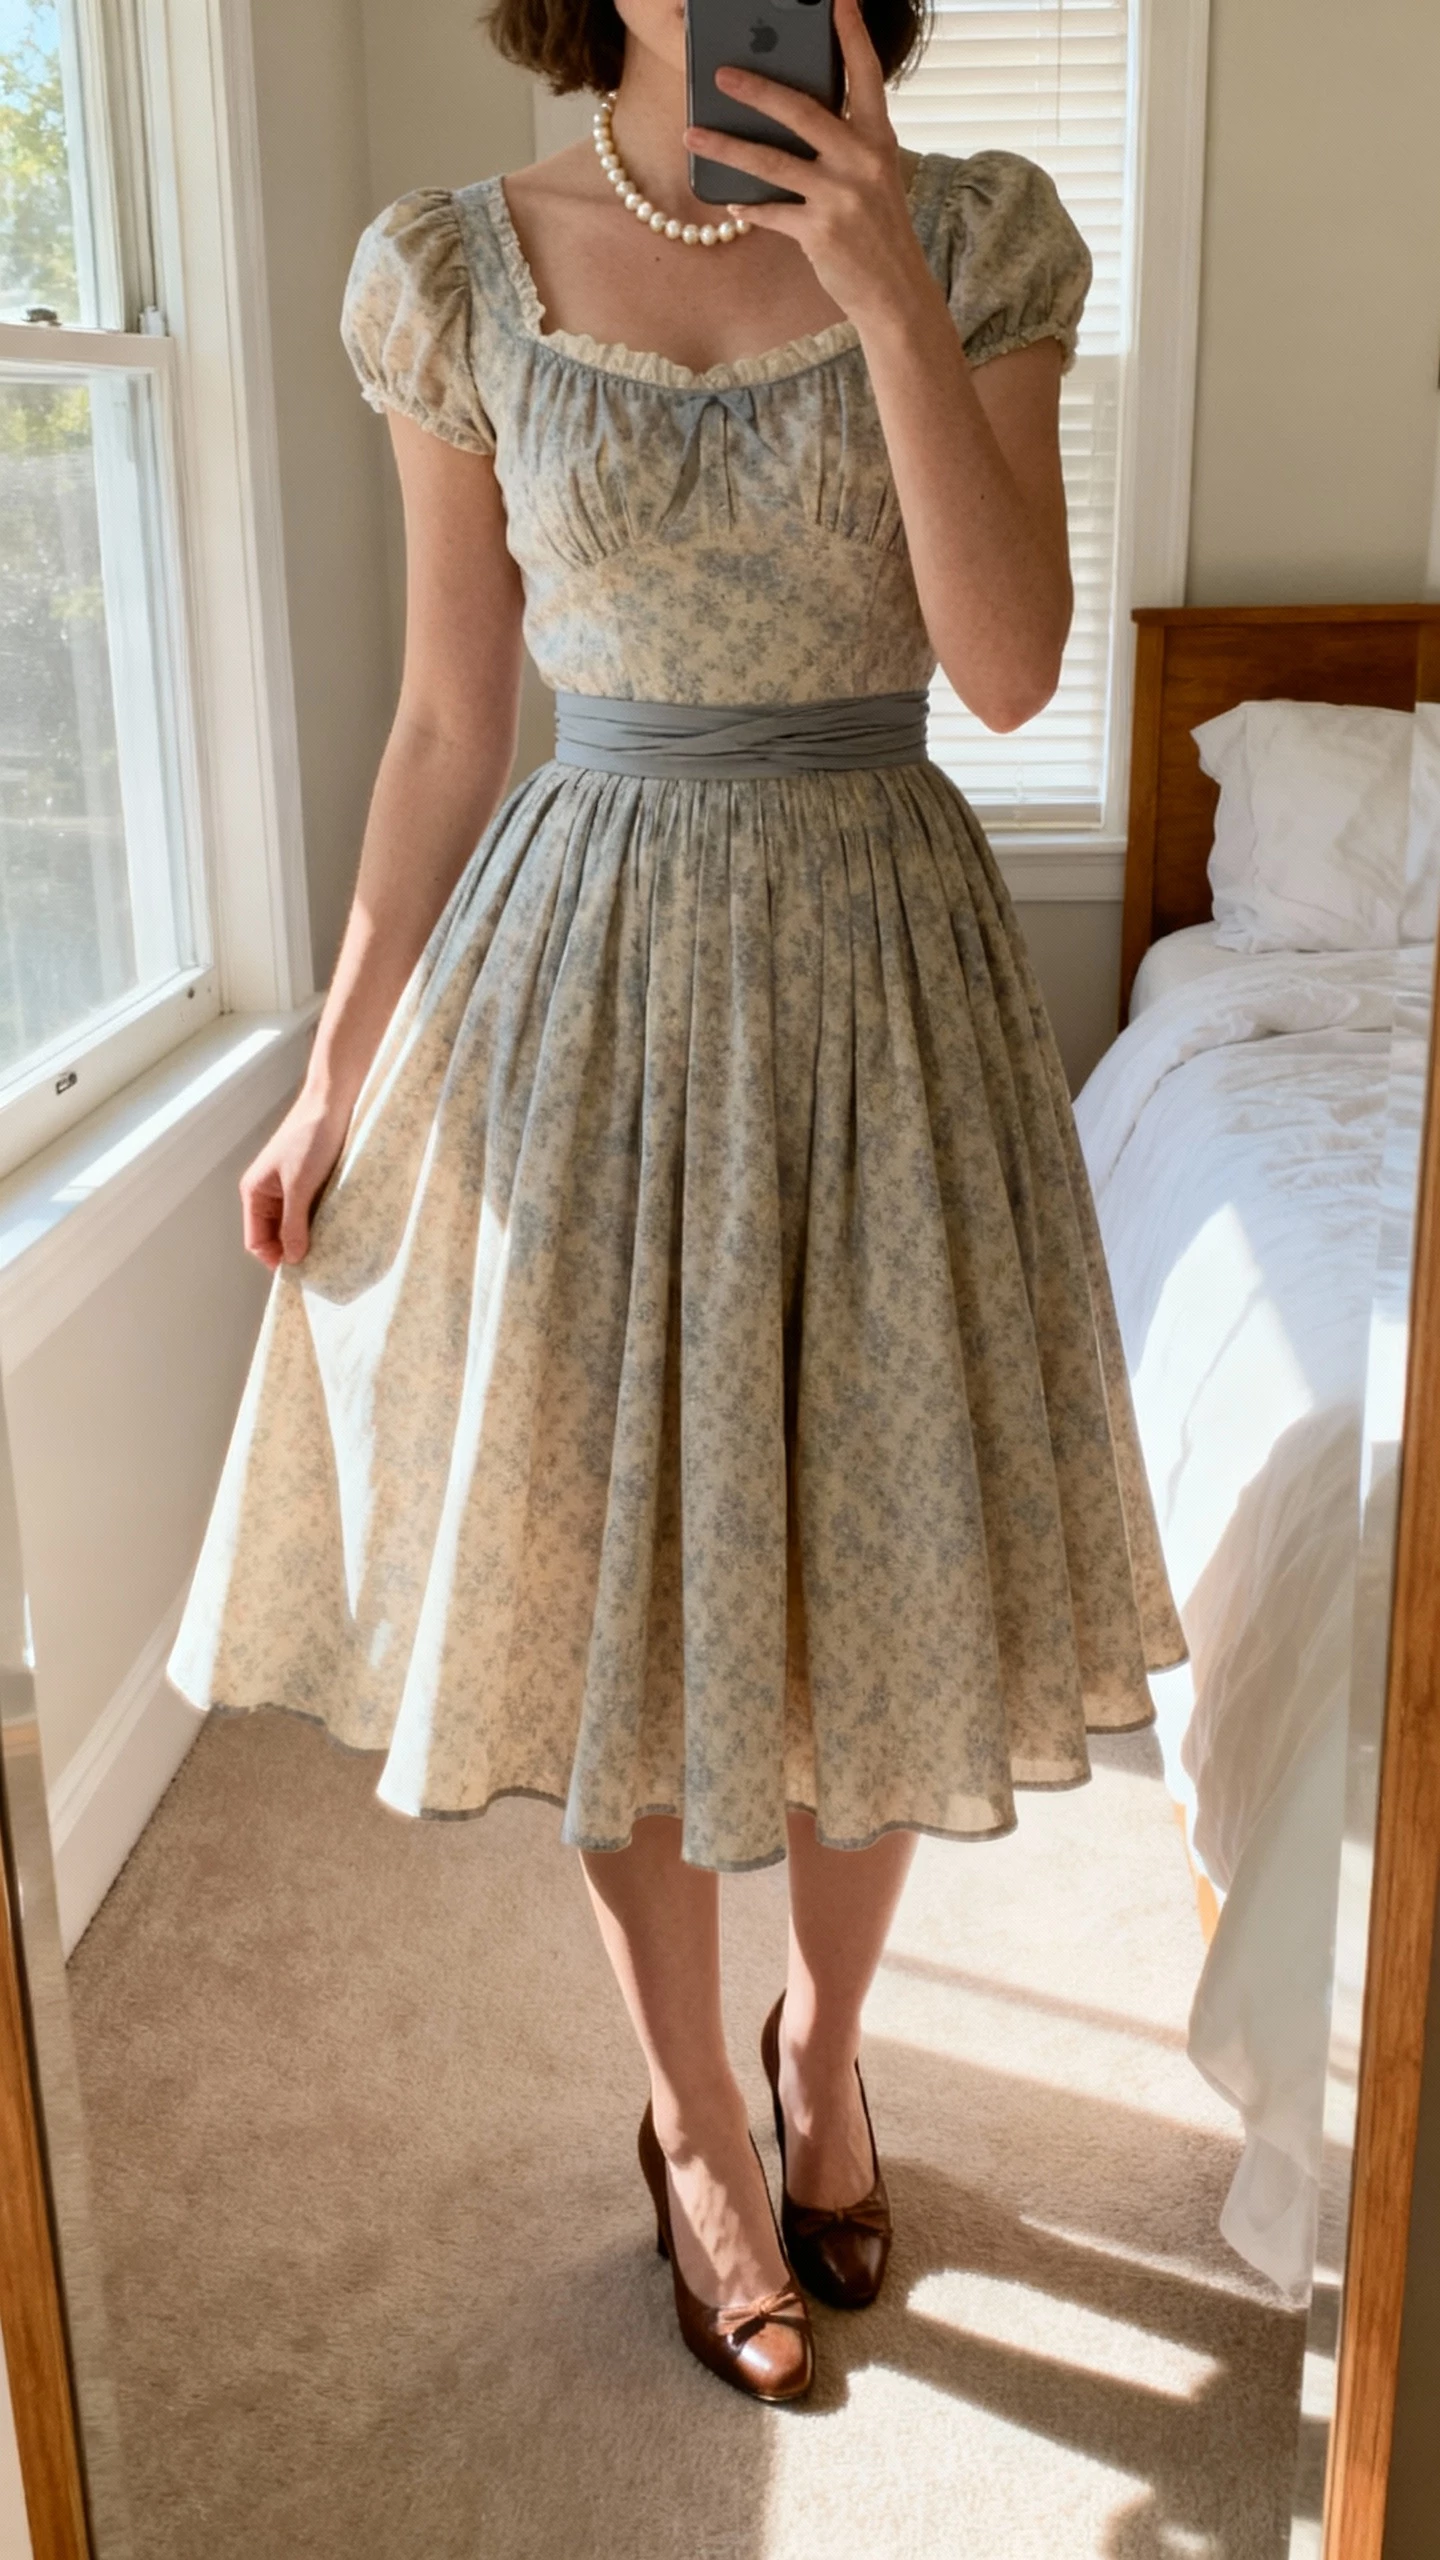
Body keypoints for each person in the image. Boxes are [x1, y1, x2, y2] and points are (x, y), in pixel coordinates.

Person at [168, 0, 1184, 2406]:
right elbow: (446, 719)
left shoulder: (982, 237)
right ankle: (697, 2117)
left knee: (865, 1568)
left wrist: (891, 295)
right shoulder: (454, 270)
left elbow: (1016, 667)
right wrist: (332, 1072)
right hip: (588, 983)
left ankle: (829, 2039)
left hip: (880, 970)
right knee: (621, 1581)